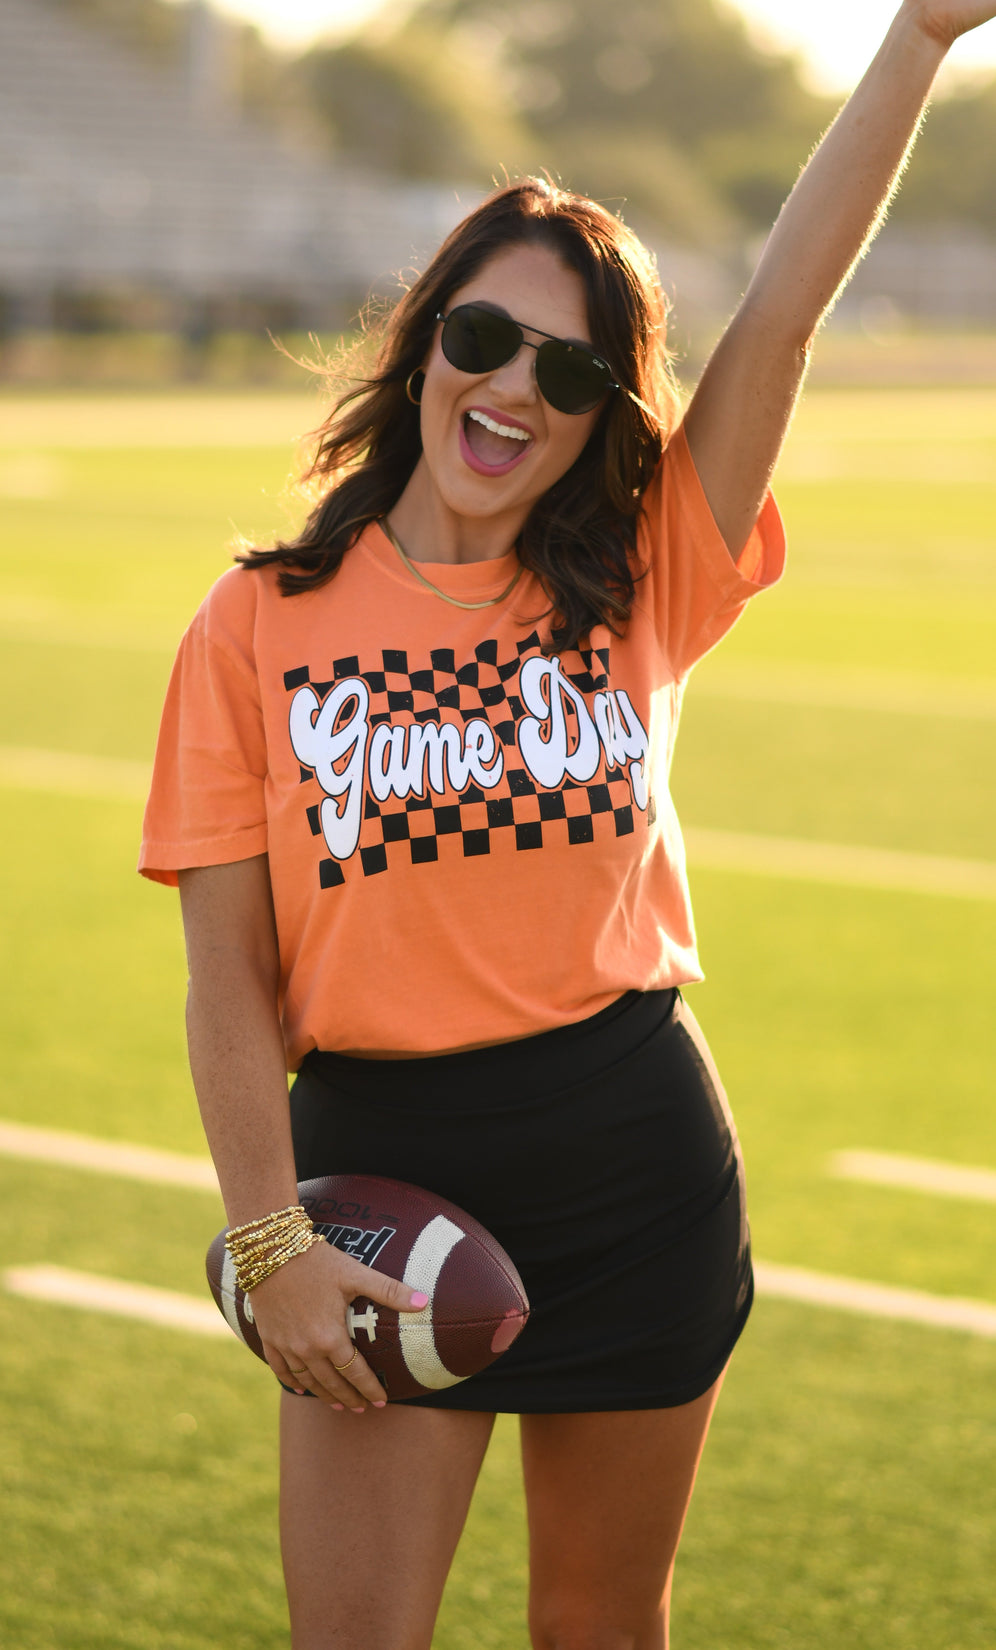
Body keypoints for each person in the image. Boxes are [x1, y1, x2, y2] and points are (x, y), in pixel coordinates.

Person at [139, 6, 995, 1645]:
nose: (517, 386)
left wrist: (913, 39)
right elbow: (224, 980)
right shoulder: (252, 626)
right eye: (484, 335)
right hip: (377, 1176)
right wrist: (272, 1241)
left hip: (632, 1155)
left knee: (600, 1632)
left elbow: (787, 318)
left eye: (575, 368)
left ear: (608, 409)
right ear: (424, 345)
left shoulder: (645, 574)